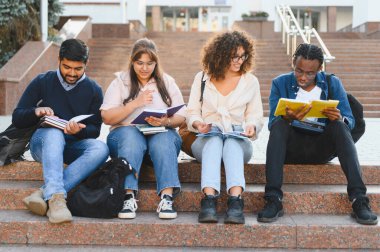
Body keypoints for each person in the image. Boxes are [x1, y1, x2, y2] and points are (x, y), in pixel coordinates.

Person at [257, 43, 378, 225]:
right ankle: (273, 199)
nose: (303, 77)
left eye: (310, 73)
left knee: (339, 125)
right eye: (299, 71)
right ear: (293, 63)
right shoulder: (279, 83)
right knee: (280, 124)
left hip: (320, 147)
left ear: (320, 69)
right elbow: (272, 124)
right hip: (291, 148)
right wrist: (288, 118)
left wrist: (339, 118)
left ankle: (359, 199)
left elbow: (350, 120)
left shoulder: (332, 83)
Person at [14, 38, 109, 224]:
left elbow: (95, 130)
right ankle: (57, 200)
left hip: (72, 146)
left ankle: (43, 193)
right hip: (43, 144)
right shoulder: (43, 81)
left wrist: (77, 131)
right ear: (59, 60)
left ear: (86, 64)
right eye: (67, 67)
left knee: (101, 149)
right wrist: (36, 112)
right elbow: (18, 117)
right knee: (54, 133)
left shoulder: (94, 90)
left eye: (78, 69)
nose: (72, 73)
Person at [100, 38, 185, 220]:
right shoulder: (120, 82)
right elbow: (107, 117)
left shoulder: (167, 82)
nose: (144, 68)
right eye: (140, 63)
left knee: (164, 139)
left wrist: (164, 122)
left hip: (158, 137)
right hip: (125, 139)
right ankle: (128, 196)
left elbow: (182, 116)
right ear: (132, 61)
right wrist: (135, 104)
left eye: (149, 63)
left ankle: (167, 197)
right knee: (131, 136)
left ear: (156, 63)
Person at [186, 30, 264, 224]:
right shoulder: (202, 78)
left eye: (242, 56)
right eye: (234, 57)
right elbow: (192, 111)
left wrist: (252, 127)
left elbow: (255, 115)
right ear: (220, 55)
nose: (239, 61)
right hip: (205, 138)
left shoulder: (250, 81)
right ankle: (209, 201)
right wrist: (198, 123)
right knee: (213, 141)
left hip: (237, 138)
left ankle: (235, 202)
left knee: (231, 143)